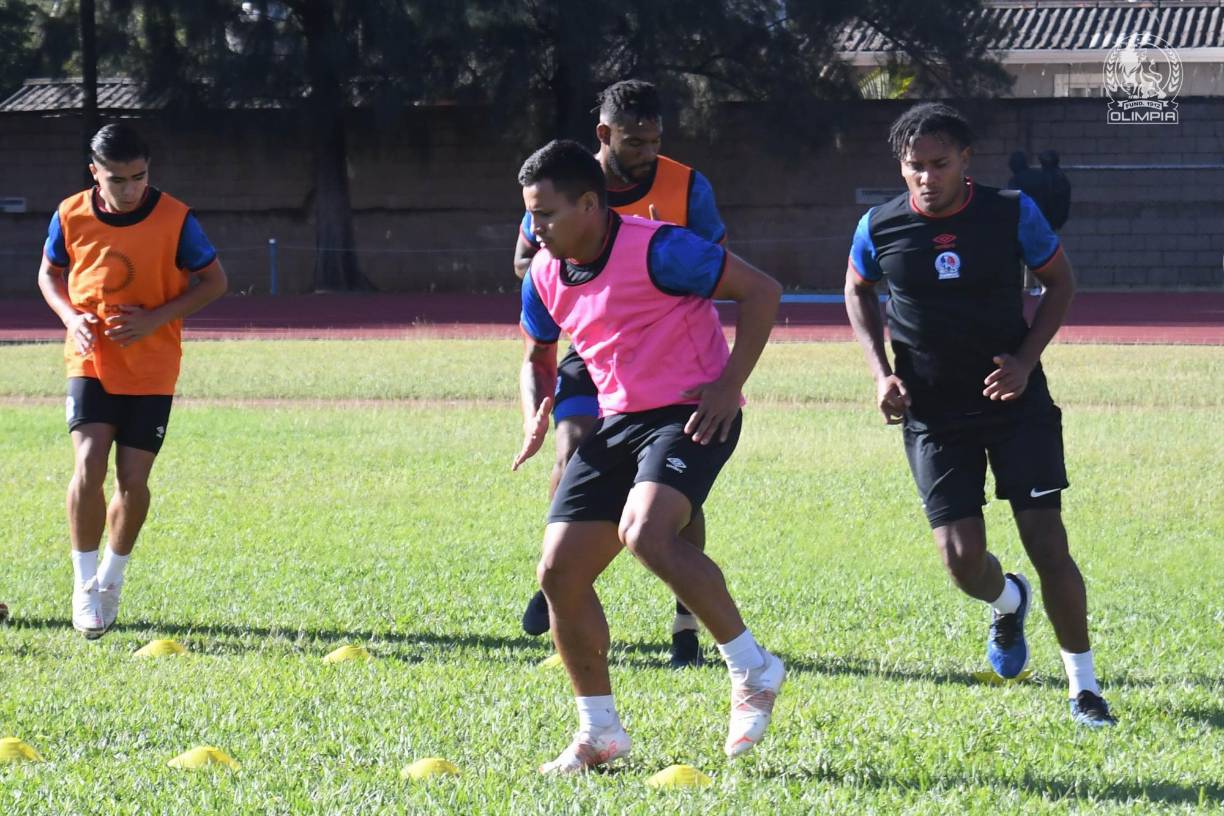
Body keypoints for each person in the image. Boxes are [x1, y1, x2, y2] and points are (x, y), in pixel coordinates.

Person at [514, 140, 784, 772]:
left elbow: (762, 291)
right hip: (619, 422)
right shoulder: (545, 274)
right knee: (558, 571)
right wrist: (535, 410)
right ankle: (599, 732)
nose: (534, 228)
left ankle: (753, 670)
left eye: (546, 214)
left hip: (692, 412)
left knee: (645, 532)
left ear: (589, 204)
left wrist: (728, 384)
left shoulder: (661, 249)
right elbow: (537, 356)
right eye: (530, 214)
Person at [844, 103, 1116, 727]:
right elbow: (856, 289)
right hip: (934, 414)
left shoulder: (1012, 211)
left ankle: (1085, 689)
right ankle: (1008, 600)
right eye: (915, 166)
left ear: (966, 160)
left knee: (1047, 542)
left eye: (940, 163)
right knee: (962, 561)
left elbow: (1060, 282)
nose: (927, 177)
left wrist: (1025, 360)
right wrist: (881, 372)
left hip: (1015, 404)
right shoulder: (878, 226)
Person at [513, 79, 727, 669]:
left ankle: (686, 621)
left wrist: (654, 246)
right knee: (573, 447)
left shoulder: (687, 186)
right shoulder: (562, 183)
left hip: (664, 351)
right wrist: (588, 254)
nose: (648, 152)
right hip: (592, 346)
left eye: (655, 140)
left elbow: (716, 265)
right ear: (604, 135)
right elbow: (526, 261)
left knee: (674, 492)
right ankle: (563, 578)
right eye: (635, 141)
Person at [36, 124, 227, 639]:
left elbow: (215, 281)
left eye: (139, 177)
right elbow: (49, 274)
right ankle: (83, 586)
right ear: (94, 173)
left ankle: (111, 580)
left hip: (152, 366)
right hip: (91, 360)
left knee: (132, 481)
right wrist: (71, 317)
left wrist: (153, 320)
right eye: (117, 179)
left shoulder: (176, 219)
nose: (130, 189)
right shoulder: (70, 213)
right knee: (88, 463)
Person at [1038, 150, 1071, 232]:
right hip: (1052, 218)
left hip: (1051, 217)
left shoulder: (1053, 176)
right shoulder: (1058, 175)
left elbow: (1051, 198)